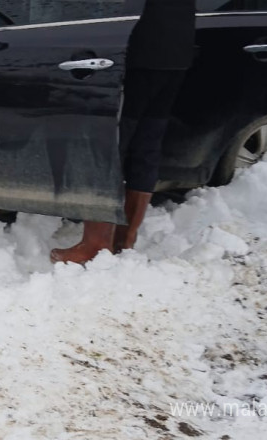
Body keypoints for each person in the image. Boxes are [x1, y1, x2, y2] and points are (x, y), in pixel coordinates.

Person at [50, 0, 196, 265]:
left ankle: (96, 245)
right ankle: (124, 239)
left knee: (109, 146)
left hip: (138, 50)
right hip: (177, 48)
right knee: (147, 146)